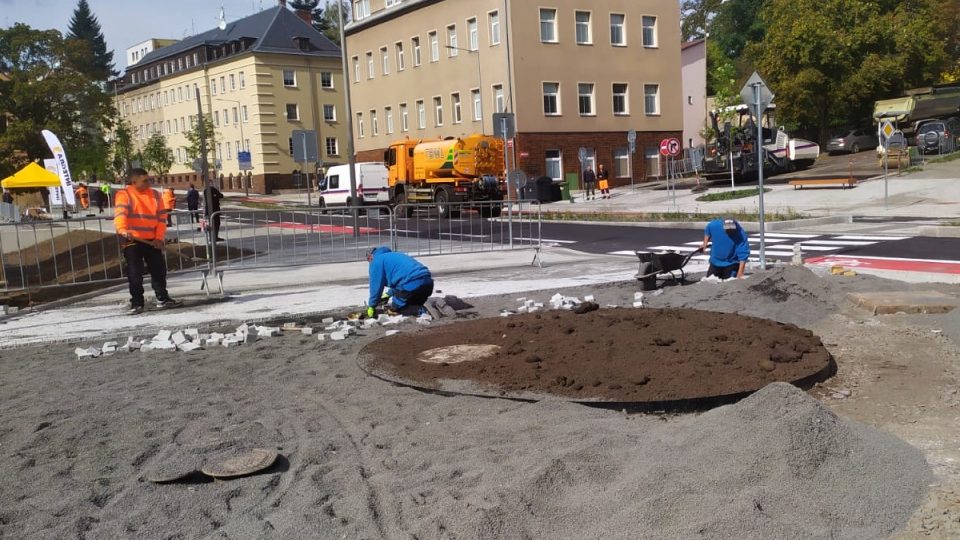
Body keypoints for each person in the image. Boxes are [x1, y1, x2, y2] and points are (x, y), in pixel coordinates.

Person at [114, 168, 180, 314]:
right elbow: (120, 215)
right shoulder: (124, 195)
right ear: (134, 181)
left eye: (148, 180)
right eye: (144, 180)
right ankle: (137, 303)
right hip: (132, 240)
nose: (148, 183)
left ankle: (163, 299)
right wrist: (123, 230)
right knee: (135, 273)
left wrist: (158, 238)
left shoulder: (155, 195)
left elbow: (161, 219)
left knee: (159, 271)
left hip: (152, 240)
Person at [366, 246, 434, 317]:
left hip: (411, 283)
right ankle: (422, 313)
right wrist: (388, 294)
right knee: (412, 305)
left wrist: (372, 306)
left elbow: (375, 287)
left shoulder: (376, 261)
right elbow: (401, 277)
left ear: (371, 256)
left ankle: (421, 311)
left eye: (369, 260)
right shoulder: (393, 256)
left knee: (399, 308)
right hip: (427, 282)